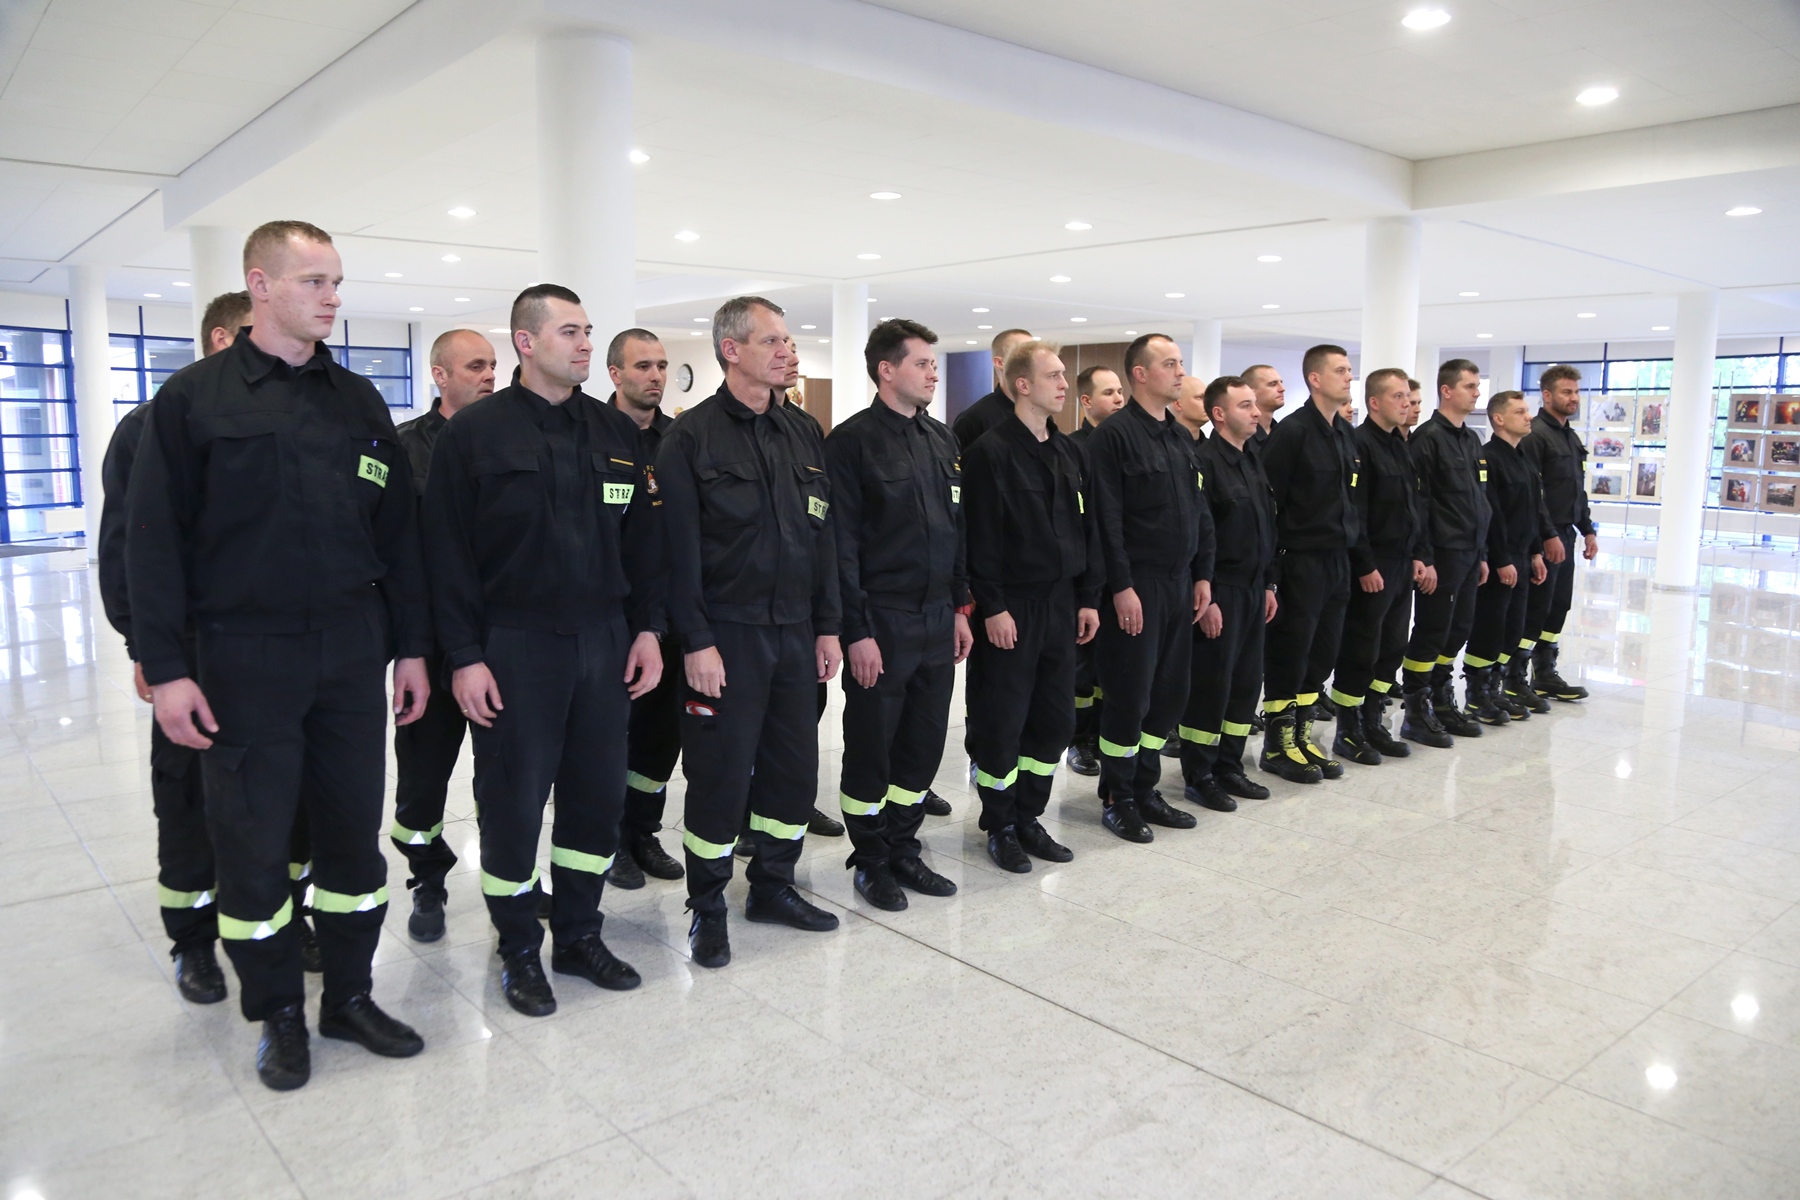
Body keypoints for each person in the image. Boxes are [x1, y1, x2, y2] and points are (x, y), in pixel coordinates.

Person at [126, 221, 430, 1091]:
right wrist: (166, 668)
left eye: (336, 282)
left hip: (349, 650)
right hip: (242, 654)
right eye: (313, 281)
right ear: (259, 286)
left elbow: (398, 537)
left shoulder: (357, 401)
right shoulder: (193, 400)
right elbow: (152, 542)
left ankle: (349, 997)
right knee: (254, 843)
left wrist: (412, 649)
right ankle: (279, 1016)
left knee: (351, 838)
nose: (332, 298)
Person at [425, 287, 663, 1016]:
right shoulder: (475, 434)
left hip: (604, 642)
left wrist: (648, 629)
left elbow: (643, 544)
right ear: (526, 343)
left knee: (596, 797)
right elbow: (445, 555)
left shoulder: (614, 432)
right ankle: (519, 947)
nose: (586, 343)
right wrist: (464, 655)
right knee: (513, 803)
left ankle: (580, 934)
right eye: (569, 332)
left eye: (588, 331)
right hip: (515, 645)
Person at [656, 296, 843, 969]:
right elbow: (675, 554)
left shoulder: (803, 432)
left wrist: (828, 627)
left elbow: (823, 538)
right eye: (772, 341)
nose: (787, 352)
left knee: (793, 770)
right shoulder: (690, 438)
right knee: (720, 775)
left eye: (788, 341)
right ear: (731, 350)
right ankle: (707, 907)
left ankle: (773, 886)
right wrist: (696, 641)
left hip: (795, 631)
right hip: (726, 637)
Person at [97, 290, 254, 1008]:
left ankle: (283, 917)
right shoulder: (152, 425)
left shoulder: (286, 418)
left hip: (271, 647)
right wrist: (150, 650)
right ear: (222, 338)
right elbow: (127, 547)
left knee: (281, 796)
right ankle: (193, 940)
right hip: (191, 645)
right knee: (188, 795)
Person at [825, 319, 970, 911]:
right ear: (887, 370)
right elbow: (841, 545)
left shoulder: (942, 440)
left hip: (936, 617)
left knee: (923, 743)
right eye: (922, 363)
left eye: (934, 363)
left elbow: (956, 530)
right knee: (871, 746)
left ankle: (905, 848)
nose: (934, 373)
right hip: (881, 620)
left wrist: (960, 607)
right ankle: (871, 859)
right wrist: (855, 631)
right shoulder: (851, 443)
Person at [962, 339, 1100, 873]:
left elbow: (1083, 529)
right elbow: (979, 538)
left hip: (1061, 604)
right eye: (1054, 376)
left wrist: (1087, 598)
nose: (1065, 384)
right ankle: (999, 824)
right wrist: (992, 605)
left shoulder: (1067, 452)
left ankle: (1029, 817)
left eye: (1064, 375)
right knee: (1003, 719)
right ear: (1022, 384)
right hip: (1012, 607)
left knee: (1053, 719)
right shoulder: (990, 452)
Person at [389, 328, 496, 941]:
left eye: (492, 365)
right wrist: (406, 646)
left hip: (497, 641)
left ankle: (509, 877)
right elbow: (395, 556)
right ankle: (426, 877)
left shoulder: (507, 439)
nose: (489, 376)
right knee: (422, 777)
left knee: (503, 775)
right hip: (428, 644)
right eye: (475, 366)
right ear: (440, 375)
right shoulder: (405, 449)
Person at [1085, 334, 1212, 841]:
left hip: (1180, 584)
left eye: (1181, 363)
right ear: (1140, 374)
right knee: (1129, 695)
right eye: (1170, 364)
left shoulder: (1180, 437)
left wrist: (1203, 574)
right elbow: (1105, 519)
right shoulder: (1113, 437)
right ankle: (1118, 796)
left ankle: (1145, 787)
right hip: (1137, 586)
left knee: (1168, 694)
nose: (1180, 372)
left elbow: (1199, 512)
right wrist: (1120, 585)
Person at [603, 328, 691, 890]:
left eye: (661, 365)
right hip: (613, 614)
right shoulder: (591, 433)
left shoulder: (678, 439)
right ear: (615, 374)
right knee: (612, 734)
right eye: (642, 366)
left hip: (671, 613)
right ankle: (610, 838)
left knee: (660, 736)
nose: (655, 376)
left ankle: (642, 831)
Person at [1257, 345, 1361, 784]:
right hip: (1299, 561)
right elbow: (1269, 504)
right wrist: (1271, 574)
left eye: (1350, 370)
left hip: (1337, 560)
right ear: (1315, 379)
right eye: (1340, 370)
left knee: (1321, 655)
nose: (1349, 377)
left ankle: (1301, 737)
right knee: (1291, 652)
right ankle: (1276, 746)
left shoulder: (1344, 434)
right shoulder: (1293, 433)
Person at [1179, 376, 1277, 811]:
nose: (1255, 412)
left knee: (1245, 684)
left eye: (1255, 404)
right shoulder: (1204, 462)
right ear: (1219, 414)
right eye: (1245, 405)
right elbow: (1201, 537)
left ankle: (1229, 766)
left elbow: (1268, 525)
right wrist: (1209, 597)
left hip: (1255, 589)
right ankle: (1199, 774)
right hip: (1222, 591)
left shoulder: (1253, 458)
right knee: (1211, 686)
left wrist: (1270, 583)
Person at [1326, 367, 1428, 761]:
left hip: (1401, 561)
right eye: (1397, 396)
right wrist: (1366, 564)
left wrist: (1418, 554)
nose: (1406, 403)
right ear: (1374, 402)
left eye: (1408, 396)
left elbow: (1413, 506)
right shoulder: (1360, 445)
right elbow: (1356, 512)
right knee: (1361, 647)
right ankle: (1348, 729)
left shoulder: (1400, 444)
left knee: (1391, 646)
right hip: (1374, 565)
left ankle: (1373, 721)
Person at [1400, 359, 1492, 743]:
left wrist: (1482, 553)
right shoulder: (1428, 439)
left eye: (1477, 386)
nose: (1477, 393)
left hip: (1469, 551)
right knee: (1433, 629)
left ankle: (1440, 697)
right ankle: (1415, 708)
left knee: (1459, 628)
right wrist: (1425, 557)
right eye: (1470, 386)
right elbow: (1419, 504)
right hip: (1443, 552)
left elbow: (1478, 499)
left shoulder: (1471, 440)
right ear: (1447, 391)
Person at [1465, 389, 1552, 723]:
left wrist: (1536, 552)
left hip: (1522, 555)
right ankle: (1476, 695)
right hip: (1500, 557)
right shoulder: (1489, 458)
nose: (1529, 417)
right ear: (1499, 419)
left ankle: (1495, 687)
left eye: (1527, 410)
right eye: (1520, 412)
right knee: (1490, 626)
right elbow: (1493, 515)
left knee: (1513, 628)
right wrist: (1501, 558)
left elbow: (1533, 510)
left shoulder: (1524, 459)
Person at [1518, 364, 1596, 703]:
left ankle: (1545, 672)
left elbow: (1577, 490)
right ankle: (1515, 676)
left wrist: (1588, 529)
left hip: (1566, 534)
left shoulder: (1569, 436)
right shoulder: (1535, 435)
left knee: (1558, 605)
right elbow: (1533, 494)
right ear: (1547, 395)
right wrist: (1547, 536)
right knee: (1536, 607)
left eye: (1576, 392)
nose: (1574, 398)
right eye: (1567, 392)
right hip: (1543, 537)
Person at [1065, 364, 1125, 777]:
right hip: (1086, 575)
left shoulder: (1127, 444)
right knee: (1082, 666)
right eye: (1108, 393)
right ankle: (1079, 740)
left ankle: (1105, 732)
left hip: (1120, 573)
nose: (1118, 399)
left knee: (1113, 664)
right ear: (1086, 401)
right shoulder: (1074, 448)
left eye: (1120, 391)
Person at [952, 327, 1034, 451]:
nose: (1032, 360)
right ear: (1000, 363)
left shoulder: (1040, 413)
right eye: (1023, 353)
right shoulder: (973, 419)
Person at [1243, 364, 1285, 450]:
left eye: (1281, 382)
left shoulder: (1282, 431)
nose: (1282, 388)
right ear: (1251, 392)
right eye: (1273, 384)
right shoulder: (1241, 437)